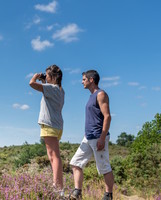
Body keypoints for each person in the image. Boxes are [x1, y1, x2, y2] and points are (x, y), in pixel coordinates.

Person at [69, 70, 115, 200]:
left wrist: (102, 137)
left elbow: (107, 116)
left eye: (84, 79)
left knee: (104, 167)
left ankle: (108, 195)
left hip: (98, 136)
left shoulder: (101, 94)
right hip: (88, 137)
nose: (82, 81)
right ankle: (77, 193)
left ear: (91, 80)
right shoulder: (91, 96)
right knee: (76, 163)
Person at [29, 64, 65, 197]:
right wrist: (45, 81)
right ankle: (58, 187)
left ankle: (58, 188)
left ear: (54, 77)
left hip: (49, 125)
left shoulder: (51, 88)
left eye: (47, 75)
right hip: (57, 125)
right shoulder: (61, 90)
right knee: (54, 156)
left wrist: (35, 77)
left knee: (54, 157)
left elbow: (32, 84)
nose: (45, 77)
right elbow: (48, 93)